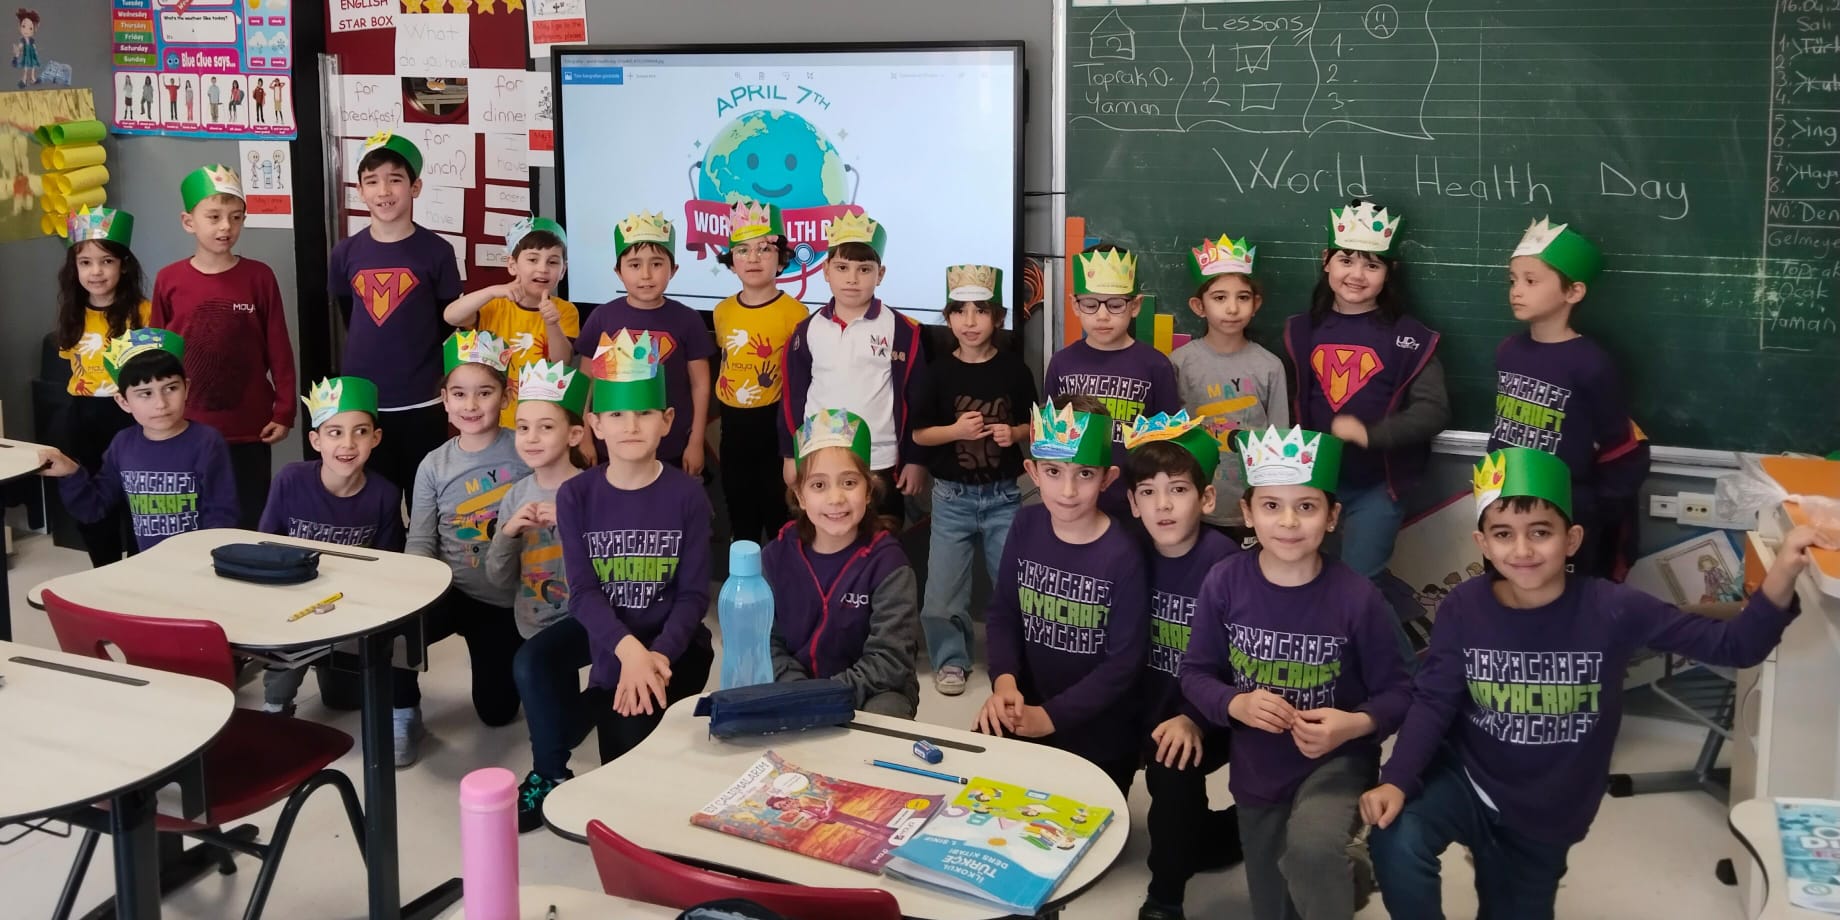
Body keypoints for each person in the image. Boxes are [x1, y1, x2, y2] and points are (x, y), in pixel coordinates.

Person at [1360, 448, 1832, 920]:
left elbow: (1735, 646)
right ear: (1483, 543)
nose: (1522, 551)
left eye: (1540, 532)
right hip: (1466, 777)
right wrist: (1397, 778)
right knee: (1395, 835)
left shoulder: (1613, 608)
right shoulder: (1464, 607)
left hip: (1547, 809)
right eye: (1503, 534)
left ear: (1571, 539)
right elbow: (1434, 700)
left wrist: (1784, 570)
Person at [1179, 425, 1413, 920]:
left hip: (1338, 763)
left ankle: (1331, 864)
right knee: (1275, 906)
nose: (1288, 521)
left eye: (1306, 506)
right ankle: (1347, 873)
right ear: (1247, 513)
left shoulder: (1358, 598)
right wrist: (1235, 703)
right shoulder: (1224, 583)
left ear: (1332, 517)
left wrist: (1354, 723)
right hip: (1257, 769)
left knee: (1311, 849)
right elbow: (1196, 673)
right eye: (1271, 505)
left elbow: (1398, 691)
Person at [555, 329, 715, 781]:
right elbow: (583, 594)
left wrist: (654, 657)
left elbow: (693, 597)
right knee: (615, 751)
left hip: (675, 647)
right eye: (616, 414)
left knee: (635, 747)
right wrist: (630, 656)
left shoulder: (688, 495)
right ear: (595, 424)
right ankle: (553, 764)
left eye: (644, 413)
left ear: (667, 420)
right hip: (614, 645)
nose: (630, 426)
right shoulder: (575, 495)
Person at [1283, 199, 1448, 631]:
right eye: (1346, 260)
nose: (1356, 274)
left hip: (1377, 485)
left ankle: (1401, 664)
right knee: (1314, 580)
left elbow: (1433, 411)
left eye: (1371, 265)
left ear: (1389, 272)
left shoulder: (1410, 337)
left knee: (1359, 585)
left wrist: (1371, 434)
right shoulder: (1301, 330)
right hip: (1314, 482)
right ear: (1326, 261)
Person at [975, 395, 1148, 795]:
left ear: (1107, 478)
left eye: (1084, 474)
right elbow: (1003, 614)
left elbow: (1123, 665)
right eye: (1054, 471)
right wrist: (1005, 684)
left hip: (1101, 734)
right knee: (986, 805)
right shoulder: (1026, 524)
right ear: (1033, 472)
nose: (1068, 490)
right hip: (1025, 707)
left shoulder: (1124, 555)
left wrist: (1049, 717)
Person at [1120, 410, 1242, 920]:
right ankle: (1211, 836)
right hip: (1145, 707)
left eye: (1178, 490)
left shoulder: (1227, 565)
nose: (1163, 504)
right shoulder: (1127, 554)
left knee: (1171, 773)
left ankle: (1165, 897)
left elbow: (1241, 663)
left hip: (1210, 715)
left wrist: (1195, 716)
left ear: (1207, 499)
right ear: (1133, 503)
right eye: (1148, 492)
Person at [399, 330, 532, 766]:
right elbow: (421, 539)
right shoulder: (433, 465)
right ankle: (402, 712)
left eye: (484, 392)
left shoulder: (524, 452)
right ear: (444, 399)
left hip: (502, 601)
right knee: (391, 637)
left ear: (506, 396)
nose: (470, 405)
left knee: (497, 713)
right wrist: (413, 599)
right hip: (449, 591)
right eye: (459, 393)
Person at [1489, 218, 1648, 579]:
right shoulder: (1508, 351)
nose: (1517, 291)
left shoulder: (1591, 363)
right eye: (1513, 280)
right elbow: (1503, 426)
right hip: (1507, 504)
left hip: (1567, 513)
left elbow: (1621, 446)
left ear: (1573, 292)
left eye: (1531, 281)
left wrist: (1592, 508)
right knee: (1508, 594)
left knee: (1567, 600)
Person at [910, 264, 1034, 695]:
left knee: (1014, 585)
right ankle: (950, 659)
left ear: (997, 318)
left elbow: (1035, 426)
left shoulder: (1014, 370)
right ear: (947, 319)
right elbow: (920, 434)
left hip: (1004, 497)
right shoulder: (937, 372)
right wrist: (956, 431)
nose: (969, 321)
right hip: (952, 498)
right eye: (959, 311)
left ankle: (1015, 661)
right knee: (942, 593)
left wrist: (1013, 433)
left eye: (980, 311)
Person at [151, 164, 296, 531]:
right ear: (188, 222)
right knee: (192, 518)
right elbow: (157, 356)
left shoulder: (259, 277)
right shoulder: (169, 280)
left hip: (249, 426)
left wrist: (284, 410)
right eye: (213, 217)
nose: (225, 227)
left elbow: (279, 347)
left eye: (235, 217)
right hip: (187, 425)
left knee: (248, 516)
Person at [256, 377, 404, 716]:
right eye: (335, 432)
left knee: (343, 701)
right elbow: (265, 546)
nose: (348, 444)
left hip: (348, 609)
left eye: (360, 432)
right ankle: (276, 705)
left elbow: (388, 565)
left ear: (376, 438)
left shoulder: (384, 494)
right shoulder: (290, 480)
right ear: (316, 440)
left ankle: (330, 668)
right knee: (281, 681)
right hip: (291, 604)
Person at [329, 132, 462, 504]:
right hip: (364, 401)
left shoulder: (437, 251)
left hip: (422, 399)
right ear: (360, 190)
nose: (384, 191)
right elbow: (348, 313)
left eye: (395, 179)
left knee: (425, 499)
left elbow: (446, 321)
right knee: (371, 499)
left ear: (415, 187)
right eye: (372, 181)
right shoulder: (345, 253)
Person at [487, 360, 592, 832]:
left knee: (534, 672)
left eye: (546, 427)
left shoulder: (588, 491)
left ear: (574, 435)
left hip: (581, 618)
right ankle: (566, 736)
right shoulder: (515, 495)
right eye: (523, 426)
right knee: (558, 717)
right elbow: (497, 578)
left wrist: (568, 524)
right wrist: (509, 531)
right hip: (532, 618)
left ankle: (549, 774)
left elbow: (605, 572)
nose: (531, 437)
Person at [765, 408, 922, 717]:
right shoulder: (776, 556)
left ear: (868, 491)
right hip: (795, 690)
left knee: (886, 711)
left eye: (849, 483)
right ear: (800, 496)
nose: (835, 498)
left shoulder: (889, 564)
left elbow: (889, 660)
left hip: (872, 691)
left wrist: (824, 696)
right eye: (818, 485)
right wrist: (800, 693)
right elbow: (766, 642)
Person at [778, 211, 928, 522]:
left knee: (882, 537)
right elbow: (793, 398)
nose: (852, 279)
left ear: (880, 274)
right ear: (826, 271)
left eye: (864, 269)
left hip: (879, 460)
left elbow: (917, 401)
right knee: (825, 533)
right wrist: (791, 454)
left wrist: (915, 460)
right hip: (818, 454)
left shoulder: (902, 330)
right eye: (842, 267)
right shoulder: (806, 330)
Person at [36, 328, 238, 550]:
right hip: (147, 562)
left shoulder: (207, 442)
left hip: (197, 562)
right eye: (145, 393)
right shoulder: (122, 444)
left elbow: (222, 515)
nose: (161, 403)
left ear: (186, 388)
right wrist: (70, 473)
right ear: (123, 402)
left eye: (171, 388)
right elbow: (93, 507)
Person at [574, 212, 715, 473]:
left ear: (673, 270)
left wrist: (696, 442)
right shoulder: (602, 317)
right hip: (612, 445)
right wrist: (584, 435)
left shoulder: (688, 319)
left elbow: (700, 386)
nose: (646, 275)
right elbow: (586, 381)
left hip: (672, 444)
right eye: (635, 265)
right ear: (618, 272)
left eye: (657, 264)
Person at [1045, 244, 1180, 519]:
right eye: (1090, 304)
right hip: (1074, 500)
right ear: (1075, 305)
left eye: (1116, 304)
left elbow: (1167, 443)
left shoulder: (1156, 365)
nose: (1102, 315)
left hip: (1135, 502)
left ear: (1135, 306)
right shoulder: (1062, 363)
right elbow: (1048, 437)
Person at [1171, 233, 1287, 543]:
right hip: (1194, 506)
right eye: (1220, 298)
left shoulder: (1270, 366)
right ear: (1199, 306)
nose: (1233, 308)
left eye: (1243, 297)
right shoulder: (1180, 363)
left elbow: (1278, 439)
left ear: (1256, 303)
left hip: (1249, 508)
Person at [52, 206, 148, 566]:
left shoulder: (143, 312)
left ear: (123, 265)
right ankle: (103, 570)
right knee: (92, 501)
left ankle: (140, 571)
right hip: (83, 418)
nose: (96, 271)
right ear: (74, 268)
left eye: (106, 261)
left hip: (130, 418)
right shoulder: (71, 314)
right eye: (85, 262)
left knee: (136, 501)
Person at [712, 198, 807, 544]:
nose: (753, 258)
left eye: (764, 249)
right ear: (731, 261)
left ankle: (783, 573)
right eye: (743, 250)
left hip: (774, 427)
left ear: (781, 260)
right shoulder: (722, 311)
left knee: (778, 510)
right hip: (732, 427)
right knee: (740, 509)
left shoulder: (796, 314)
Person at [445, 216, 578, 429]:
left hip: (541, 419)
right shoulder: (494, 304)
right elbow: (451, 316)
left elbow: (562, 362)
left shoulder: (565, 311)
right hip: (495, 420)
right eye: (533, 259)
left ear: (563, 270)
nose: (543, 268)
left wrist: (552, 323)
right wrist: (491, 291)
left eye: (553, 262)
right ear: (512, 265)